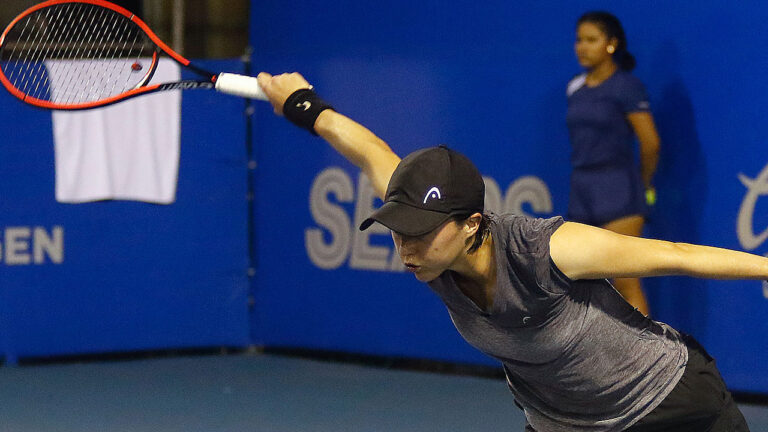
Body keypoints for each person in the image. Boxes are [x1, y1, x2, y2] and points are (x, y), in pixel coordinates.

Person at [255, 72, 753, 431]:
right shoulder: (430, 243)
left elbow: (676, 254)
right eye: (398, 231)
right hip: (564, 422)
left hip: (668, 402)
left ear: (472, 223)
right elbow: (370, 152)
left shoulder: (547, 249)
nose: (406, 247)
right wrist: (302, 103)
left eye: (420, 232)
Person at [566, 11, 661, 315]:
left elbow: (651, 143)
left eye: (591, 40)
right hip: (582, 192)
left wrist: (643, 184)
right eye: (579, 39)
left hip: (620, 191)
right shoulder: (574, 89)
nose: (582, 46)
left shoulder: (627, 87)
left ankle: (646, 360)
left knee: (625, 281)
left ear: (611, 44)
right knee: (577, 282)